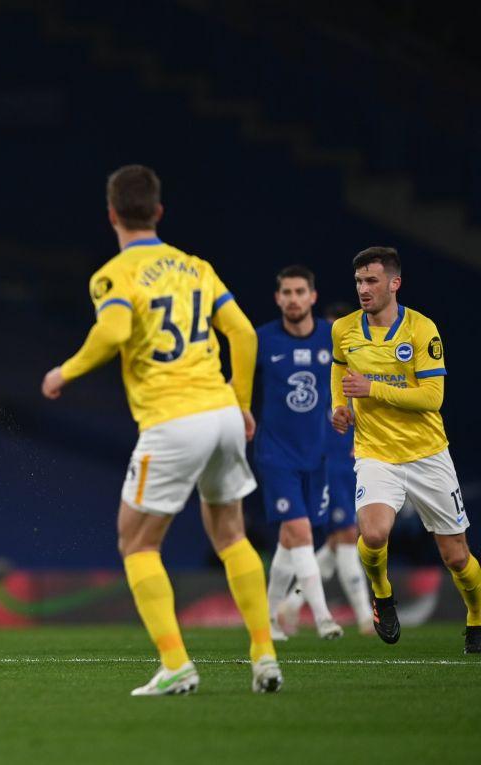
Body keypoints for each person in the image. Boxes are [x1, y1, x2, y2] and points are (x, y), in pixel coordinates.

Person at [41, 165, 281, 694]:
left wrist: (66, 371)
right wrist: (241, 404)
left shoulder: (113, 275)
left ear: (111, 215)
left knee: (137, 543)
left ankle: (176, 663)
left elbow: (115, 329)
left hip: (173, 420)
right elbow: (243, 332)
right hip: (220, 412)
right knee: (232, 535)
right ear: (159, 212)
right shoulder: (197, 267)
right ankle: (264, 654)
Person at [330, 246, 479, 653]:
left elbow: (433, 397)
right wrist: (340, 407)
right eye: (359, 281)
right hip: (376, 453)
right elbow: (340, 367)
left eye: (372, 281)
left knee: (456, 558)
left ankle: (476, 617)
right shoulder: (344, 328)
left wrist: (372, 389)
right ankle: (382, 594)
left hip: (428, 453)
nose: (364, 288)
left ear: (394, 283)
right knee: (374, 533)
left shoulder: (421, 329)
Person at [254, 266, 343, 641]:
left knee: (289, 541)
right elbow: (234, 383)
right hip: (276, 454)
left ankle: (268, 621)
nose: (292, 298)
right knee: (301, 531)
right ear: (278, 298)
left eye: (299, 291)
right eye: (286, 292)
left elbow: (350, 380)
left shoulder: (332, 337)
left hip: (317, 455)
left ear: (312, 296)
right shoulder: (261, 340)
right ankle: (323, 618)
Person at [275, 301, 373, 635]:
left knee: (340, 539)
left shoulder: (356, 367)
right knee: (345, 536)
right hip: (327, 464)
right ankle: (364, 617)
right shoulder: (315, 372)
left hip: (351, 459)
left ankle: (292, 603)